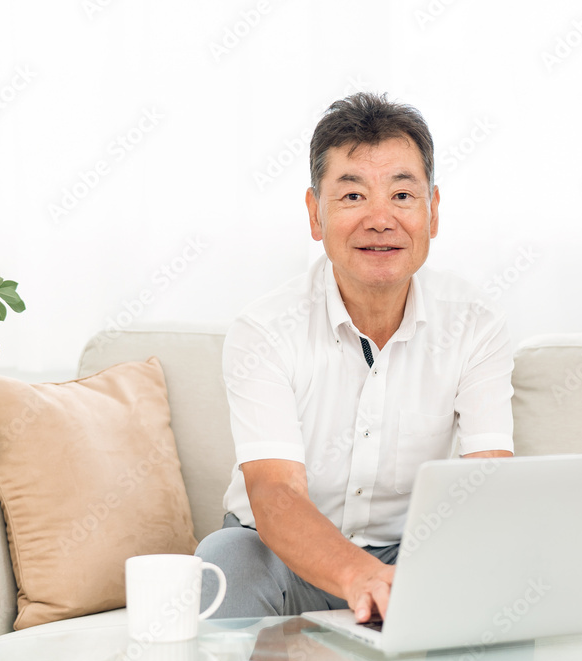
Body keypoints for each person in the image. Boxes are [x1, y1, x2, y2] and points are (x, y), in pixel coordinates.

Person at [195, 91, 514, 623]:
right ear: (315, 214)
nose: (380, 219)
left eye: (402, 195)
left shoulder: (476, 325)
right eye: (352, 196)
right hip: (280, 554)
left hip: (414, 555)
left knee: (510, 569)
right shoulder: (264, 330)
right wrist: (360, 575)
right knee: (223, 561)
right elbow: (274, 493)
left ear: (433, 211)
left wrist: (432, 574)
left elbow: (489, 484)